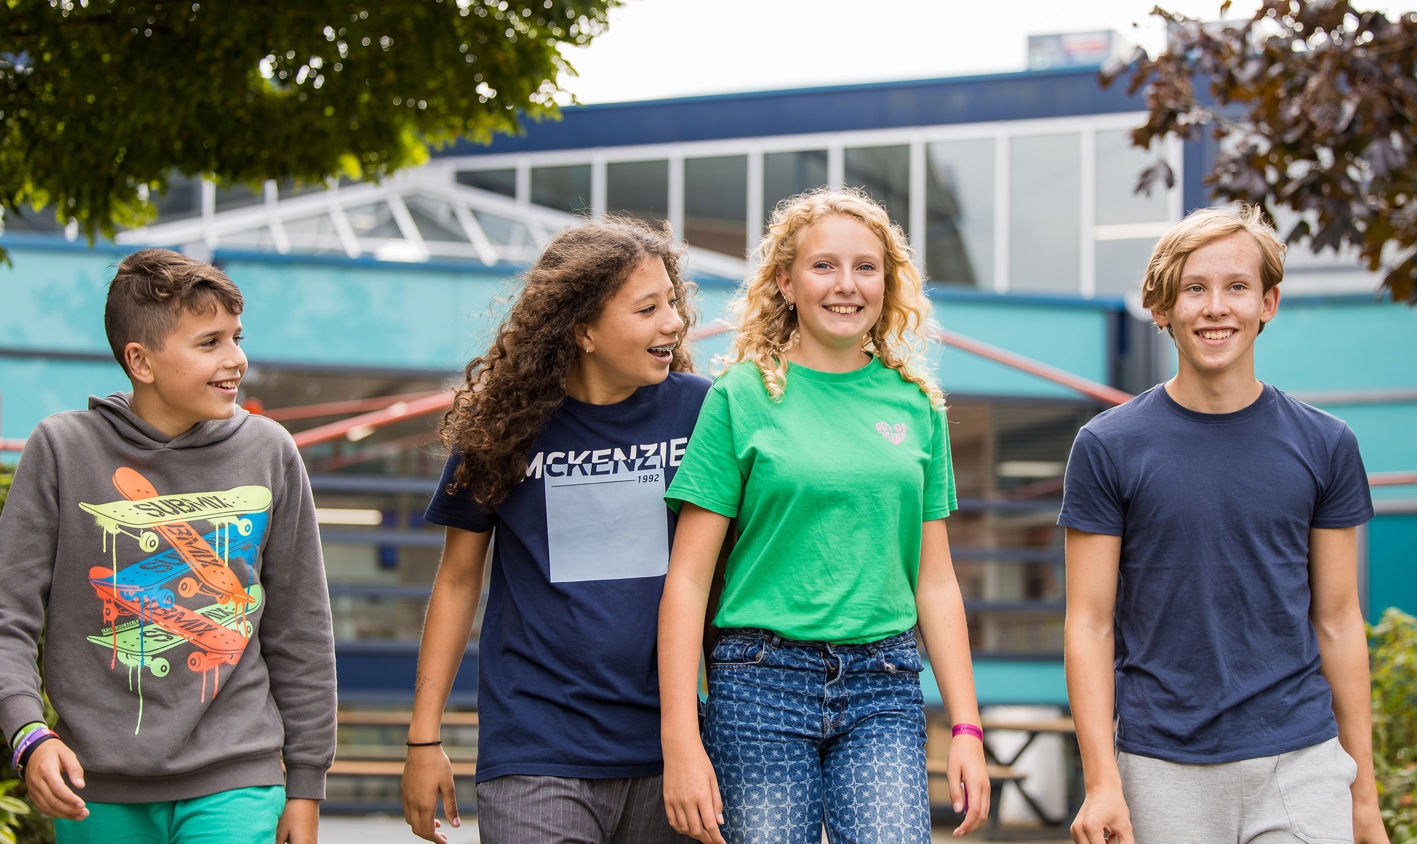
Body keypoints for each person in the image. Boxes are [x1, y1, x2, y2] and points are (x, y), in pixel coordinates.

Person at [658, 187, 991, 844]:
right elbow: (688, 580)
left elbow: (935, 581)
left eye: (866, 267)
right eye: (823, 266)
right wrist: (681, 740)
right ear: (786, 282)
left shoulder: (917, 405)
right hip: (759, 685)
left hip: (884, 685)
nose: (847, 285)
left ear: (887, 284)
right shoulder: (740, 396)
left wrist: (966, 728)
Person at [1060, 204, 1388, 844]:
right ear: (1162, 308)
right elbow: (1089, 624)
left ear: (1268, 303)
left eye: (1237, 287)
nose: (1216, 308)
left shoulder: (1327, 444)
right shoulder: (1107, 447)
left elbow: (1340, 621)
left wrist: (1364, 797)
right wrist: (1102, 783)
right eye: (1194, 289)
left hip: (1301, 761)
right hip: (1161, 767)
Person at [0, 248, 336, 844]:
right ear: (141, 361)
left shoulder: (269, 452)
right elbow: (8, 616)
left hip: (236, 775)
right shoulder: (60, 450)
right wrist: (28, 733)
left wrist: (306, 785)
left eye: (236, 337)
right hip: (94, 784)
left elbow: (301, 630)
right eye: (210, 343)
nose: (236, 359)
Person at [401, 218, 709, 844]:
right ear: (582, 330)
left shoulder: (702, 411)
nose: (674, 322)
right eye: (647, 308)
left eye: (672, 302)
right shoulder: (501, 426)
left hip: (674, 750)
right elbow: (457, 581)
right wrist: (423, 739)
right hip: (535, 749)